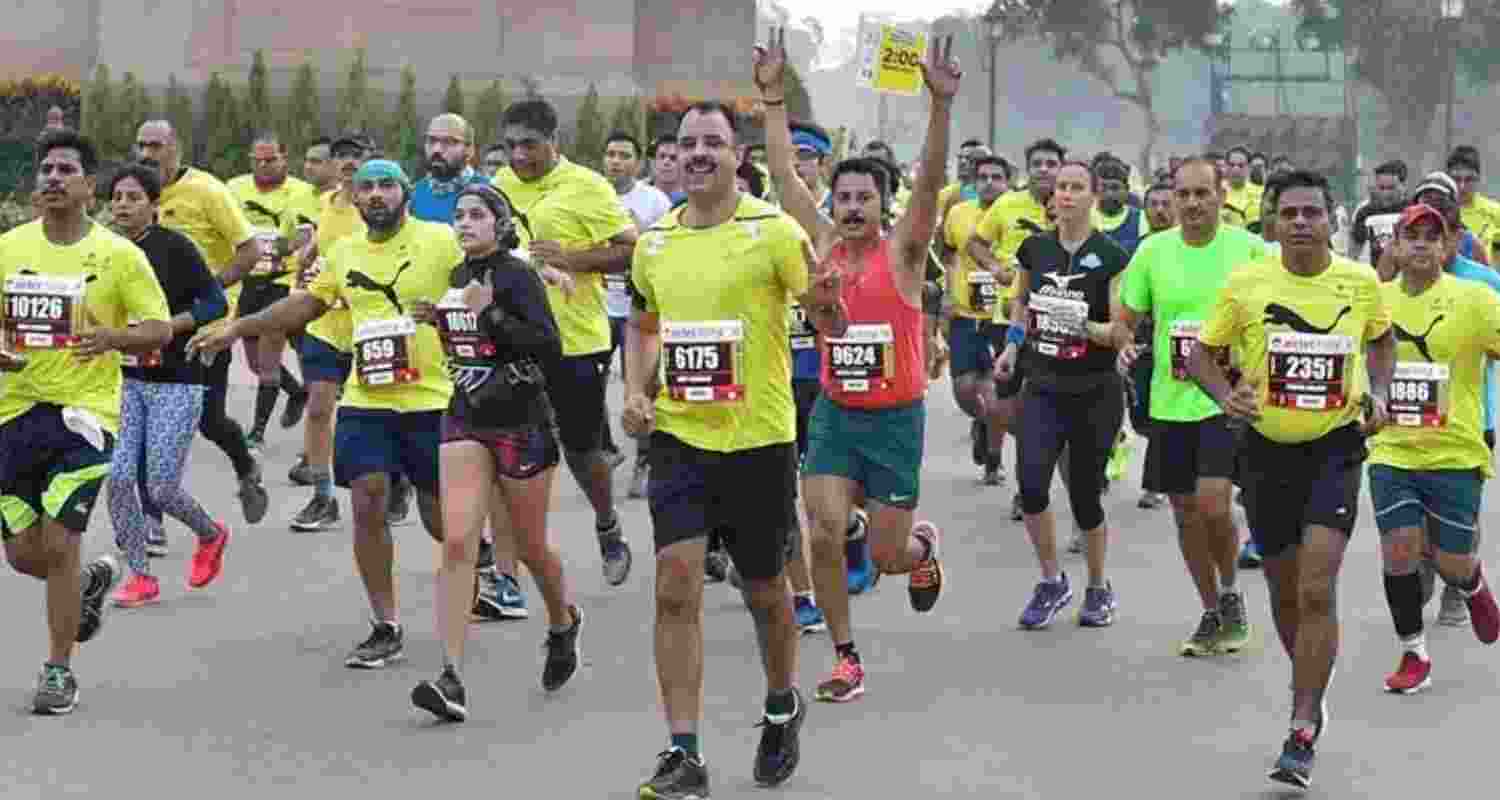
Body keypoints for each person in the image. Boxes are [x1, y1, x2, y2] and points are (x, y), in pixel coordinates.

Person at [190, 160, 461, 671]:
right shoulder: (344, 251)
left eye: (387, 186)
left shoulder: (442, 240)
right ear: (354, 199)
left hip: (432, 399)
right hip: (367, 397)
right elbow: (304, 307)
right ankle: (386, 624)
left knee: (440, 519)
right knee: (367, 499)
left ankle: (477, 561)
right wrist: (238, 327)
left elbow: (484, 282)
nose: (376, 195)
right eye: (367, 188)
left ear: (405, 194)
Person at [759, 28, 952, 704]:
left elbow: (929, 181)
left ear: (881, 204)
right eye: (842, 198)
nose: (850, 208)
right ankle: (846, 657)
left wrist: (941, 108)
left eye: (863, 198)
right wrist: (773, 98)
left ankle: (921, 552)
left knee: (890, 559)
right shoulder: (819, 243)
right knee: (824, 530)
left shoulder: (904, 253)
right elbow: (784, 175)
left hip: (897, 420)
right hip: (839, 417)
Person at [623, 96, 809, 796]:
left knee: (765, 589)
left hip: (759, 438)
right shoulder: (655, 242)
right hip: (679, 435)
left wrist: (828, 301)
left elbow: (825, 311)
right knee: (676, 584)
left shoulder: (775, 231)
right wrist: (635, 392)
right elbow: (643, 324)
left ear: (739, 155)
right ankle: (684, 752)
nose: (699, 152)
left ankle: (782, 703)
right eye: (687, 142)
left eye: (713, 142)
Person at [1189, 170, 1394, 790]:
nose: (1301, 222)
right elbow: (1201, 353)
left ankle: (1301, 725)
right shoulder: (1248, 283)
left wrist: (1378, 393)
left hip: (1335, 446)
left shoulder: (1360, 283)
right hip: (1265, 451)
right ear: (1273, 221)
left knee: (1315, 588)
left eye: (1312, 212)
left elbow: (1381, 344)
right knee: (1282, 593)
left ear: (1333, 218)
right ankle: (1311, 681)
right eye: (1290, 213)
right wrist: (1227, 396)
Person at [0, 130, 173, 714]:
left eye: (65, 169)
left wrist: (111, 337)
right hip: (13, 412)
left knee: (60, 542)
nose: (52, 177)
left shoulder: (120, 255)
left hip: (86, 418)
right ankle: (89, 586)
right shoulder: (8, 246)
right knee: (26, 555)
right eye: (45, 168)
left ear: (88, 186)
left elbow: (160, 328)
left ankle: (57, 670)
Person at [410, 184, 580, 721]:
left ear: (501, 225)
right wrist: (441, 321)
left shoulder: (517, 275)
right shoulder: (458, 277)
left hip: (521, 423)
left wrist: (491, 316)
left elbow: (547, 347)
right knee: (458, 541)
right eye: (459, 216)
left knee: (531, 549)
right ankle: (451, 676)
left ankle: (562, 622)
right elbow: (473, 349)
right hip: (464, 416)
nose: (464, 223)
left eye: (477, 215)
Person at [1115, 157, 1265, 654]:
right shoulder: (1153, 252)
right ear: (1172, 200)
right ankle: (1210, 609)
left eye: (1203, 193)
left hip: (1226, 400)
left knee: (1215, 504)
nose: (1193, 204)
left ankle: (1230, 592)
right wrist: (1122, 341)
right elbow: (1126, 317)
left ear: (1222, 196)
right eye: (1184, 195)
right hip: (1170, 401)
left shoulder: (1249, 250)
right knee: (1184, 514)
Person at [495, 99, 638, 590]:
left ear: (554, 141)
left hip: (576, 339)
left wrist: (573, 259)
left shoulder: (587, 186)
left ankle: (607, 523)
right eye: (510, 145)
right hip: (513, 338)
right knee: (507, 449)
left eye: (529, 146)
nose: (518, 156)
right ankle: (506, 572)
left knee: (580, 448)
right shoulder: (498, 186)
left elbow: (629, 249)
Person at [1368, 202, 1500, 698]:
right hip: (1391, 450)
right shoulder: (1374, 301)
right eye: (1411, 235)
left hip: (1456, 451)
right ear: (1396, 247)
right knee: (1399, 552)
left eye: (1432, 236)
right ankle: (1413, 651)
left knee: (1450, 559)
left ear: (1447, 248)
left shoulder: (1475, 300)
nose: (1421, 243)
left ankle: (1472, 585)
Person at [995, 161, 1129, 630]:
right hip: (1043, 385)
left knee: (1086, 496)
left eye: (1076, 187)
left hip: (1095, 390)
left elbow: (1118, 331)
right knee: (1031, 484)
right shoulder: (1035, 249)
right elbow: (1020, 302)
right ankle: (1052, 581)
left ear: (1093, 196)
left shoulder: (1111, 255)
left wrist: (1082, 325)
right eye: (1061, 187)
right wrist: (1012, 347)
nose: (1066, 195)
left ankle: (1097, 586)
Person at [104, 163, 233, 608]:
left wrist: (168, 327)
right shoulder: (104, 250)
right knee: (119, 478)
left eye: (133, 197)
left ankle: (210, 533)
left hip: (177, 380)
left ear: (154, 205)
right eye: (117, 197)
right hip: (124, 379)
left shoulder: (176, 248)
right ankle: (141, 575)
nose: (122, 205)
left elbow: (215, 301)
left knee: (159, 487)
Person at [134, 119, 269, 525]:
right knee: (144, 421)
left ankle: (246, 466)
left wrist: (206, 289)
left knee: (209, 421)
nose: (147, 153)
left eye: (156, 145)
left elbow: (249, 253)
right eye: (141, 145)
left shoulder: (208, 191)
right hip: (150, 327)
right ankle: (151, 521)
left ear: (176, 147)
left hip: (205, 328)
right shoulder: (134, 195)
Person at [967, 137, 1062, 521]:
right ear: (1027, 169)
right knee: (1006, 407)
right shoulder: (1008, 204)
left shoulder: (1073, 204)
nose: (1043, 170)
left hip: (1057, 326)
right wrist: (995, 269)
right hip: (1010, 319)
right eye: (1036, 163)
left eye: (1050, 163)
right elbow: (975, 243)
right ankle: (1003, 442)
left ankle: (1030, 488)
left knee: (1045, 410)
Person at [226, 130, 316, 452]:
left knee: (268, 356)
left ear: (284, 158)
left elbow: (310, 236)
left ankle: (257, 433)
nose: (263, 166)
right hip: (249, 281)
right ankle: (296, 392)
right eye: (257, 160)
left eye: (270, 159)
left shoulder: (303, 192)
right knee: (254, 361)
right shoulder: (234, 188)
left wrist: (287, 246)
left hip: (283, 282)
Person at [940, 155, 1014, 485]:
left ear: (1008, 182)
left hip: (1001, 316)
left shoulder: (1017, 213)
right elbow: (946, 254)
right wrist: (946, 295)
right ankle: (982, 421)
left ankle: (994, 462)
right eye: (982, 177)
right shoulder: (958, 214)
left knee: (995, 390)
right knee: (965, 389)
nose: (989, 183)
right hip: (965, 313)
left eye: (997, 177)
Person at [1348, 160, 1407, 266]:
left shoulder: (1413, 210)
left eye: (1391, 188)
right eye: (1381, 188)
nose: (1385, 194)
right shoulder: (1365, 213)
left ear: (1403, 186)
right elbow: (1354, 253)